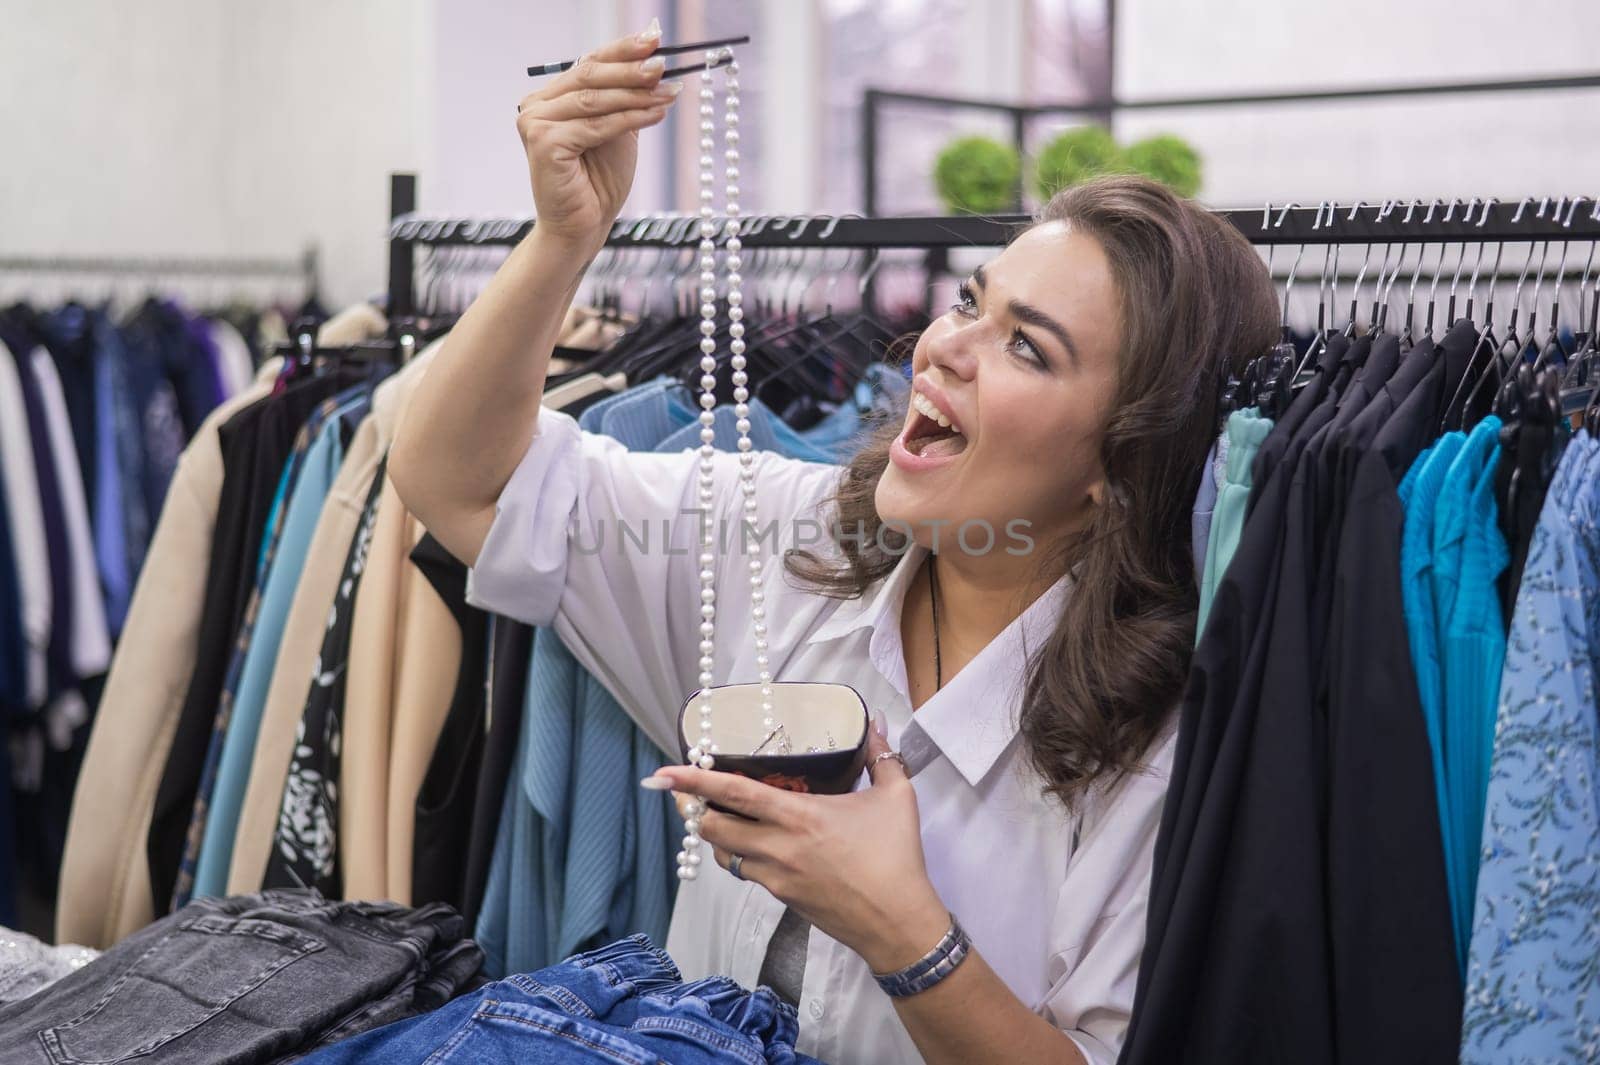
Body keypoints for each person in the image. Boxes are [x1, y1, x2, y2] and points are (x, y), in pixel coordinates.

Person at [390, 21, 1278, 1065]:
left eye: (1025, 348)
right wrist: (562, 241)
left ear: (1118, 464)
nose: (944, 346)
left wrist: (903, 931)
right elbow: (456, 483)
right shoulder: (776, 541)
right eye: (967, 303)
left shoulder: (1158, 742)